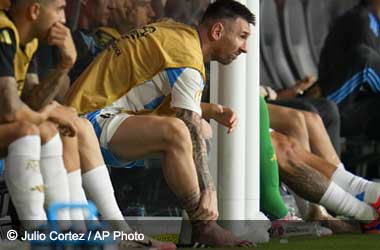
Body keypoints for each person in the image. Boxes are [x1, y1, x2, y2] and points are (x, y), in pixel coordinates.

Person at [66, 0, 255, 247]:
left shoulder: (176, 35)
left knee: (202, 129)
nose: (245, 49)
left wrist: (210, 109)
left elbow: (162, 98)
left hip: (101, 115)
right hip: (86, 122)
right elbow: (186, 124)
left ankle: (193, 230)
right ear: (217, 32)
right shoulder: (187, 58)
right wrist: (210, 190)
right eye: (242, 37)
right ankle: (205, 225)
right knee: (181, 131)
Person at [0, 0, 79, 230]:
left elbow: (31, 102)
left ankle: (65, 229)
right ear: (35, 11)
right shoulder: (3, 33)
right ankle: (37, 231)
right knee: (27, 129)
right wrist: (49, 112)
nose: (63, 20)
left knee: (48, 129)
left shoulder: (28, 41)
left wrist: (65, 64)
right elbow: (11, 112)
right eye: (59, 9)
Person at [317, 0, 380, 139]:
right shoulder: (360, 20)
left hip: (359, 104)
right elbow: (364, 67)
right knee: (365, 57)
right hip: (337, 106)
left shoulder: (372, 22)